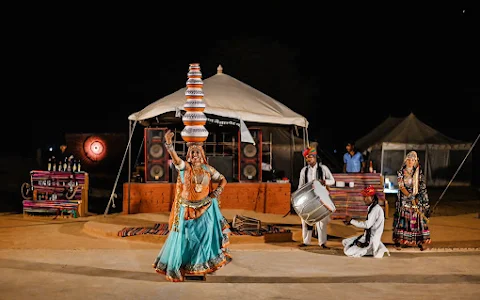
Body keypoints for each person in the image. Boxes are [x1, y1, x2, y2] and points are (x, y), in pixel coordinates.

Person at [152, 130, 232, 282]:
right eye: (192, 152)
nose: (195, 155)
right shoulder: (184, 167)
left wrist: (218, 190)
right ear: (188, 155)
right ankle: (186, 266)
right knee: (187, 238)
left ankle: (199, 268)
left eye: (197, 152)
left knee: (206, 236)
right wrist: (169, 145)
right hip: (187, 209)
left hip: (206, 207)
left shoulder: (209, 170)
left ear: (202, 155)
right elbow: (176, 160)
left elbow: (223, 179)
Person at [392, 151, 431, 251]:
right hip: (404, 199)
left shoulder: (418, 172)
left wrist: (420, 198)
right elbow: (401, 186)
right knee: (403, 220)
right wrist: (409, 196)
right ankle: (399, 241)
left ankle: (420, 241)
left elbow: (421, 186)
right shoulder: (401, 172)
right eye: (409, 160)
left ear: (415, 161)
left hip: (416, 199)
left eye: (413, 160)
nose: (410, 162)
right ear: (406, 161)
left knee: (418, 220)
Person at [298, 146, 335, 248]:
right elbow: (300, 186)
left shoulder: (323, 169)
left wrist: (325, 182)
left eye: (310, 157)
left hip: (321, 199)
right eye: (306, 157)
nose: (308, 159)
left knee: (321, 222)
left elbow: (333, 181)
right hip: (308, 199)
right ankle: (306, 242)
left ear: (315, 157)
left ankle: (322, 243)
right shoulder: (304, 171)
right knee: (306, 220)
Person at [343, 185, 390, 258]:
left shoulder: (376, 209)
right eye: (364, 197)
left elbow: (367, 225)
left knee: (347, 252)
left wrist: (351, 221)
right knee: (345, 242)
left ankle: (369, 250)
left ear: (372, 197)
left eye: (366, 197)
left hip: (371, 239)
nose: (364, 199)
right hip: (366, 236)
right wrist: (350, 222)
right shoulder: (372, 208)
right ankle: (367, 249)